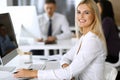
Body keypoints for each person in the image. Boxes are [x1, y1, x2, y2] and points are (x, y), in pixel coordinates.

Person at [14, 0, 107, 80]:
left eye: (86, 12)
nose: (81, 16)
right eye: (78, 12)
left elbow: (68, 72)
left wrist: (33, 73)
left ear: (95, 15)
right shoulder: (84, 37)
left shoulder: (92, 41)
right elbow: (66, 57)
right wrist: (67, 69)